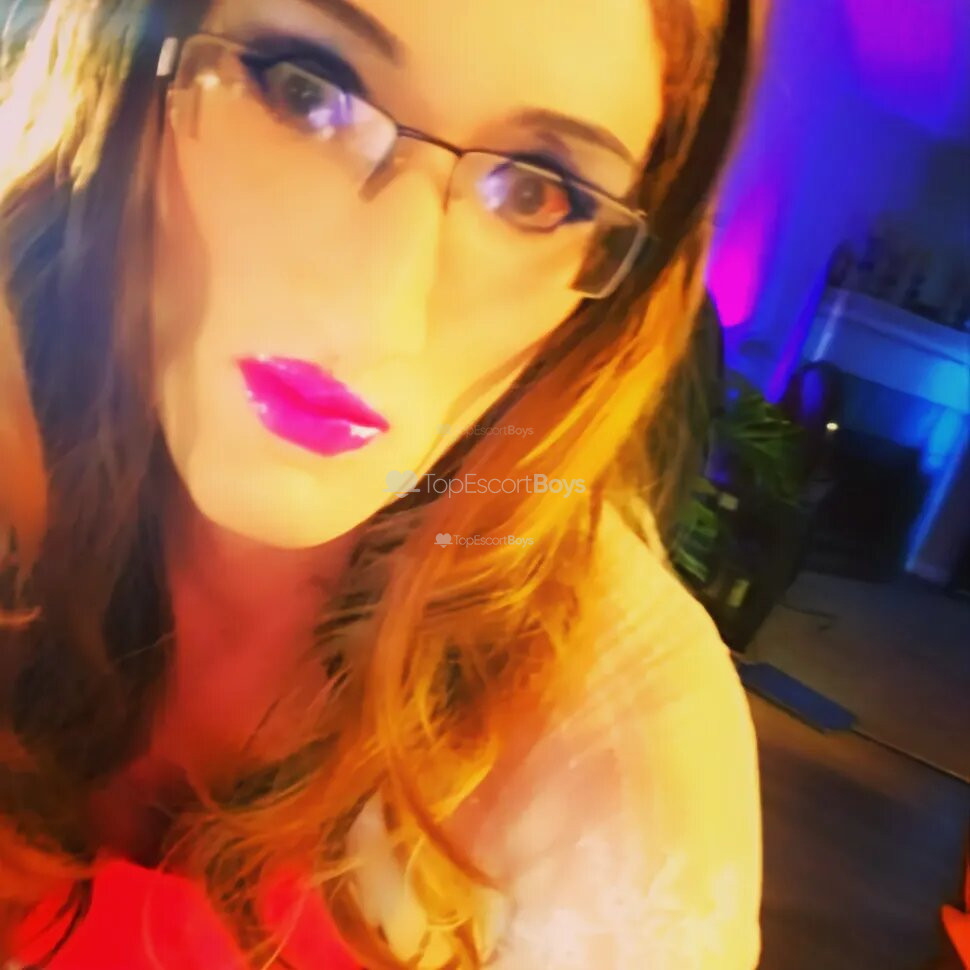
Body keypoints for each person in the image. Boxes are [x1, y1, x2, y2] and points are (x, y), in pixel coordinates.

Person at [0, 0, 762, 966]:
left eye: (538, 192)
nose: (373, 313)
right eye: (305, 89)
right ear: (130, 49)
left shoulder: (611, 763)